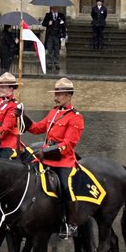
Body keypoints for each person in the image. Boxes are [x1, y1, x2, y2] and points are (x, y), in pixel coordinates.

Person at [24, 77, 86, 238]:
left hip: (63, 161)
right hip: (45, 158)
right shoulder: (54, 112)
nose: (56, 96)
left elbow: (68, 144)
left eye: (60, 94)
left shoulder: (75, 117)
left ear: (69, 95)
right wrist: (22, 116)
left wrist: (46, 152)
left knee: (66, 187)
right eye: (56, 93)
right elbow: (38, 128)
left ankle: (72, 223)